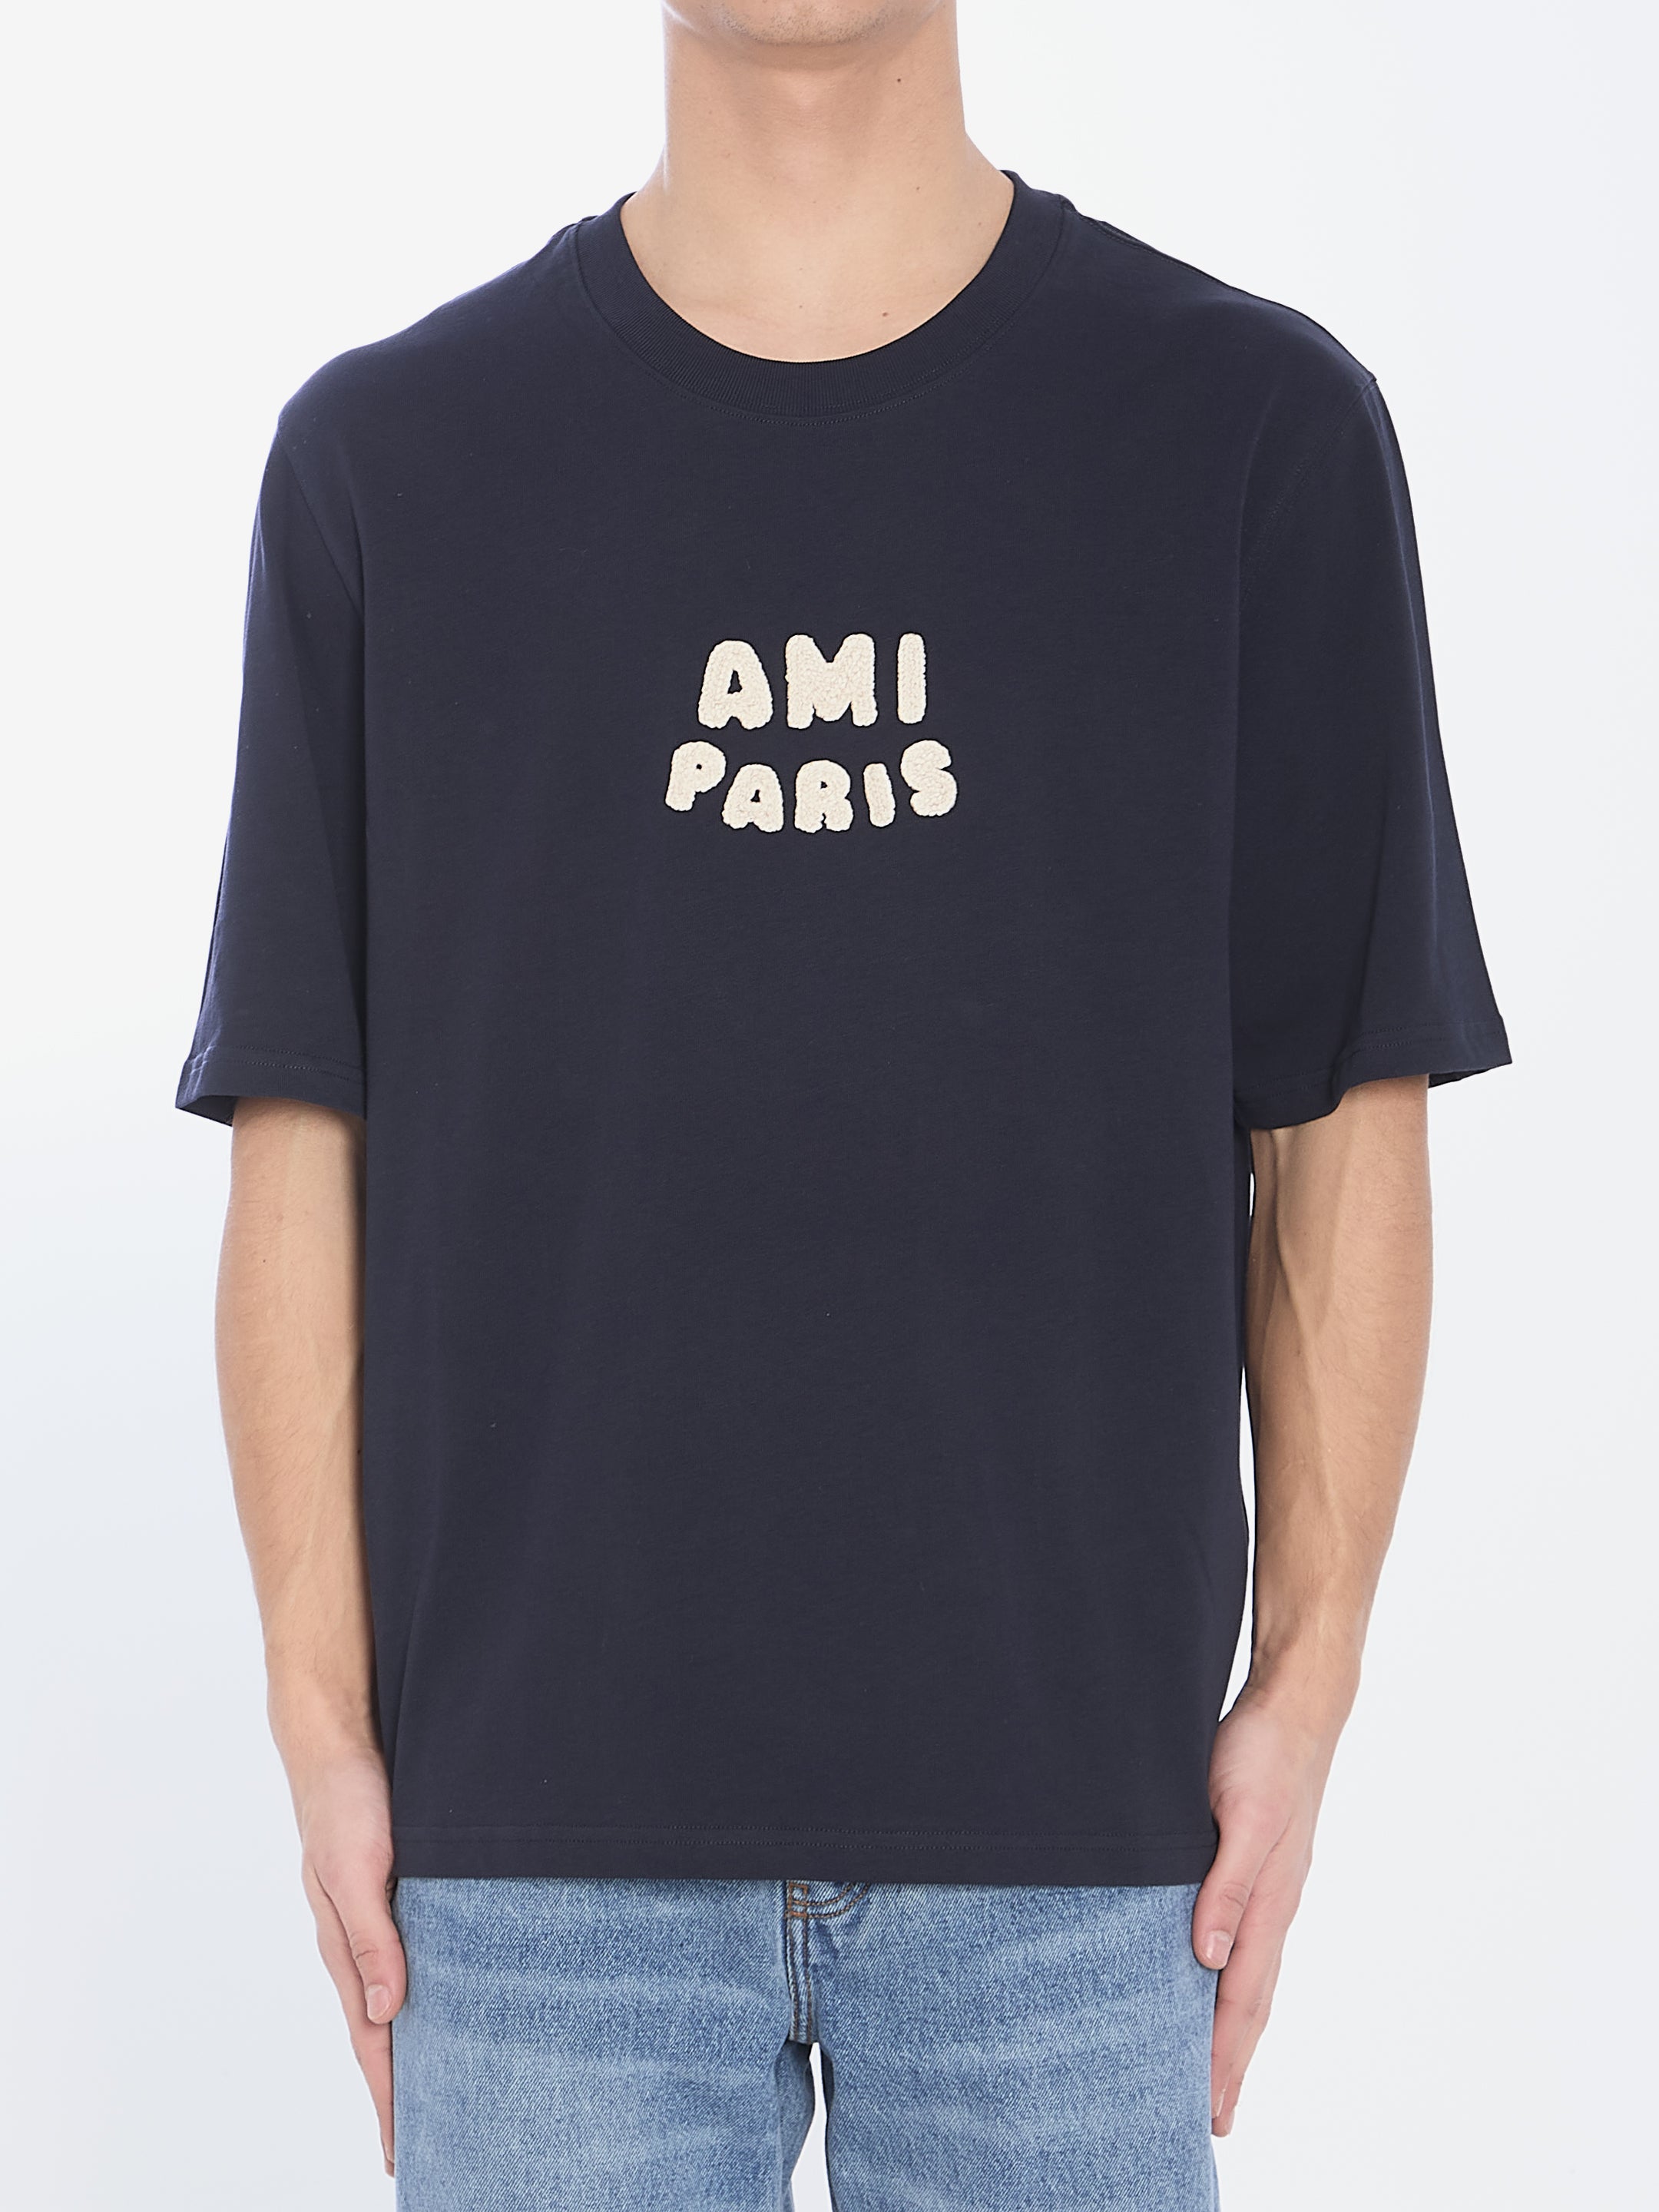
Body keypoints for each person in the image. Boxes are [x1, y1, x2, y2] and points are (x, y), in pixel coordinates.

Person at [177, 2, 1509, 2204]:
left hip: (1083, 1864)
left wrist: (1312, 1678)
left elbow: (1341, 1107)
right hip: (533, 1872)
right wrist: (318, 1722)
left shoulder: (1250, 435)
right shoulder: (389, 466)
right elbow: (304, 1125)